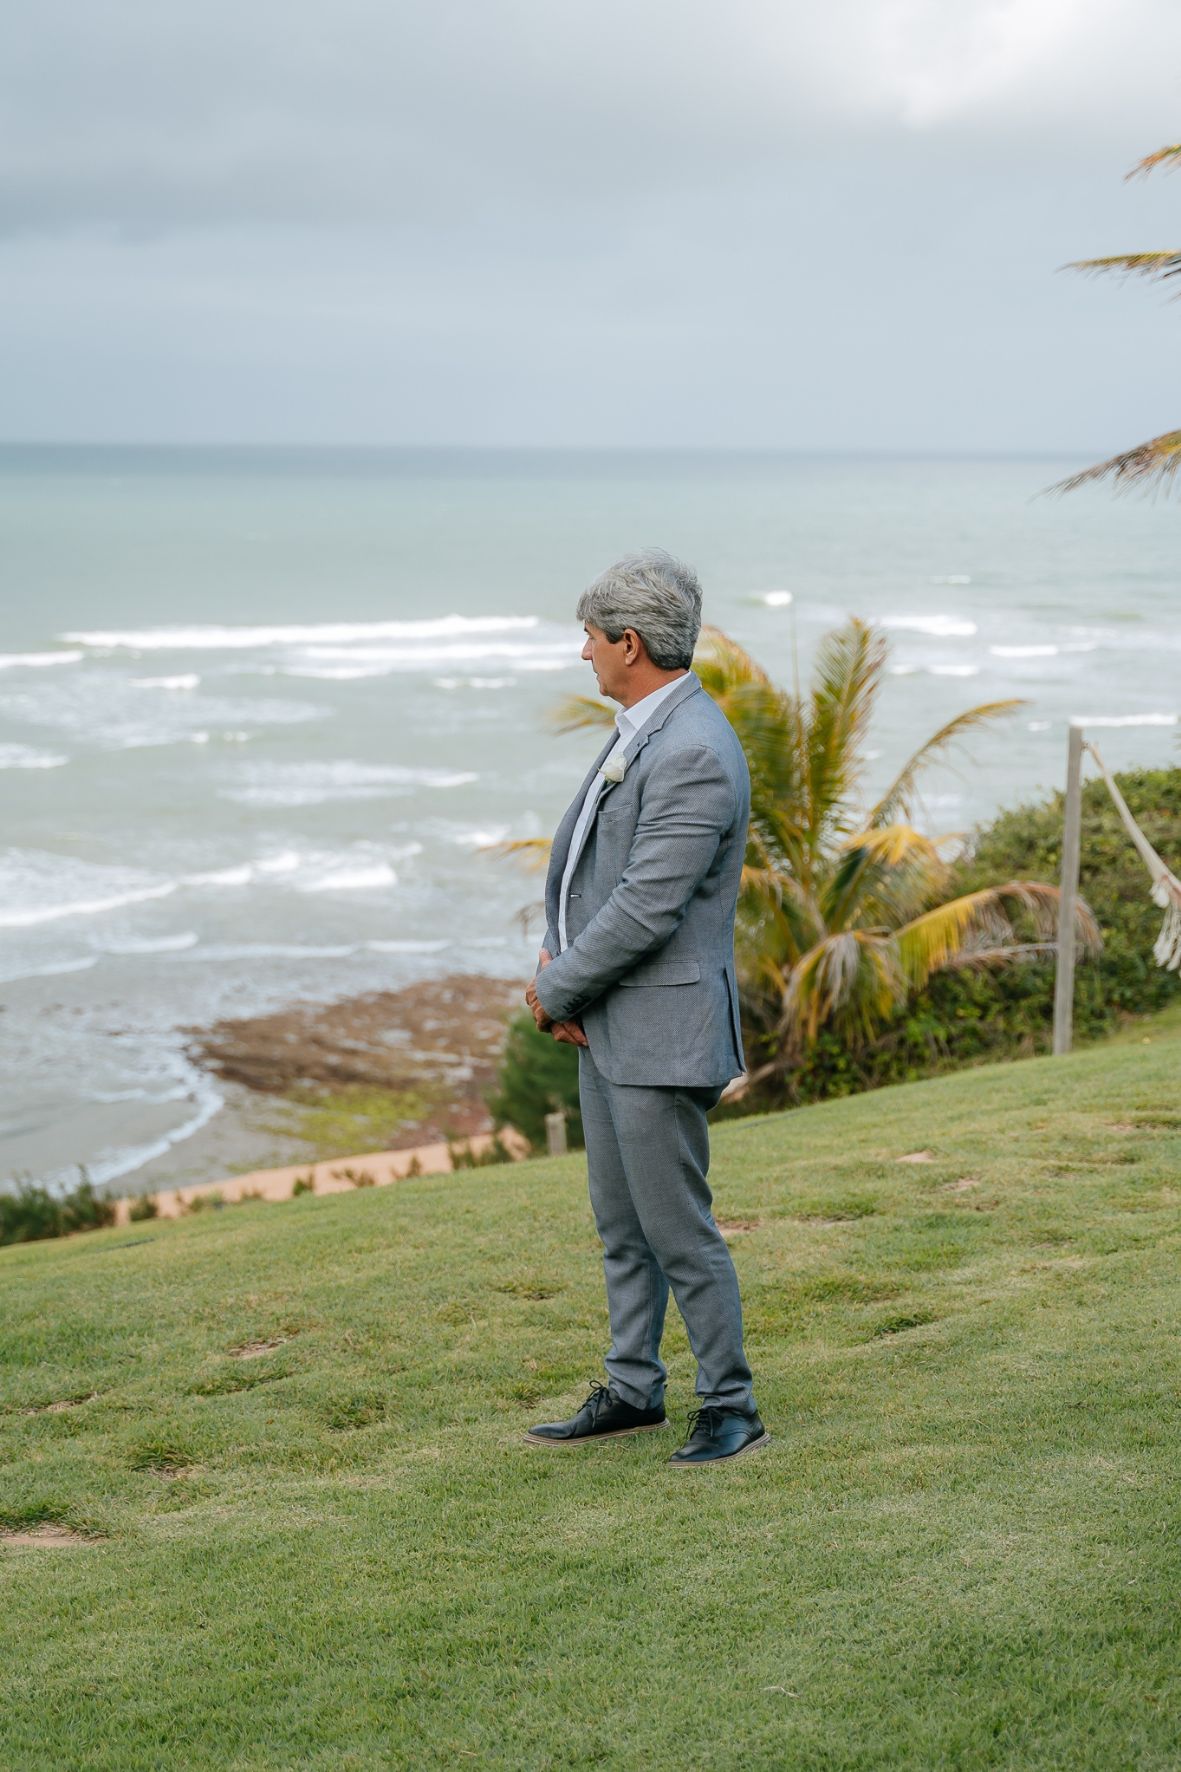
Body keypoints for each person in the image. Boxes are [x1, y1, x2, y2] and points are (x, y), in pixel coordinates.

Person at [523, 549, 768, 1468]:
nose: (581, 651)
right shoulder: (643, 727)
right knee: (621, 1228)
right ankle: (633, 1388)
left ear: (628, 643)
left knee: (677, 1232)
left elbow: (645, 907)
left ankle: (730, 1404)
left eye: (589, 636)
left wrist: (555, 988)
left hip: (660, 1032)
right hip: (610, 1024)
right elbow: (592, 872)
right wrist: (560, 961)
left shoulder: (693, 749)